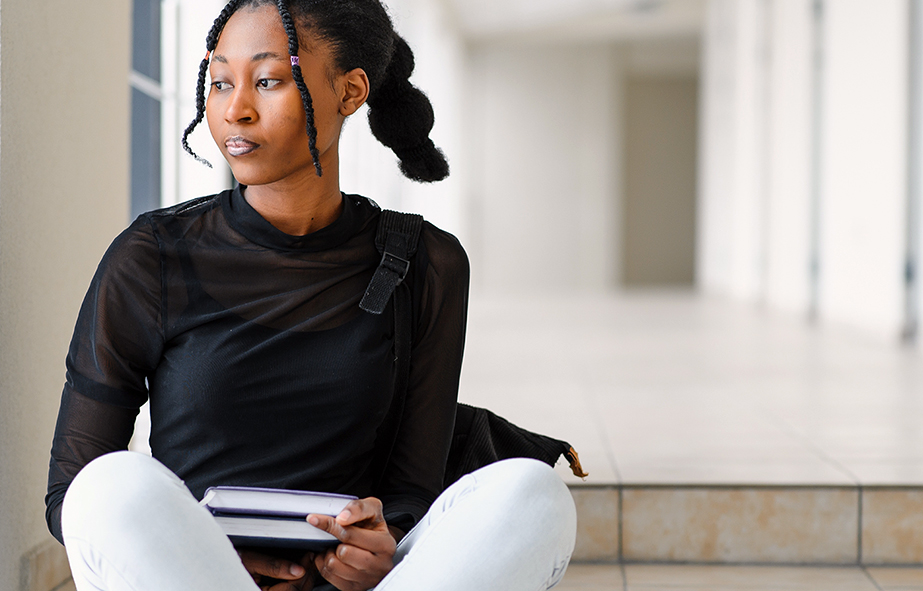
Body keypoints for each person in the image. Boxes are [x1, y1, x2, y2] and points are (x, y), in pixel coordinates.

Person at [44, 1, 577, 590]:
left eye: (267, 81)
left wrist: (383, 541)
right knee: (108, 484)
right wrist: (212, 553)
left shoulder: (428, 263)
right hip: (194, 576)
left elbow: (410, 488)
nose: (235, 110)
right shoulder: (152, 255)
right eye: (220, 82)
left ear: (349, 93)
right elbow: (72, 491)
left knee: (533, 494)